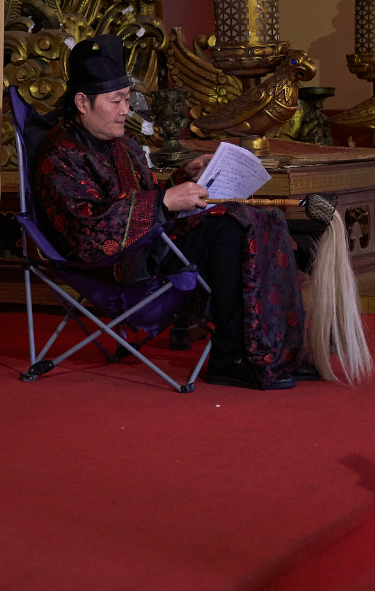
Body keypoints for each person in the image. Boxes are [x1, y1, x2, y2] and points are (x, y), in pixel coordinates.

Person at [31, 35, 310, 390]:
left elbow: (144, 195)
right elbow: (86, 231)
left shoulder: (123, 145)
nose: (125, 110)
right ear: (82, 102)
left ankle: (276, 351)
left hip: (150, 243)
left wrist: (183, 179)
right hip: (114, 264)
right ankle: (231, 359)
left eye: (127, 99)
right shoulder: (58, 155)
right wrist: (164, 201)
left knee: (262, 217)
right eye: (116, 101)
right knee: (231, 226)